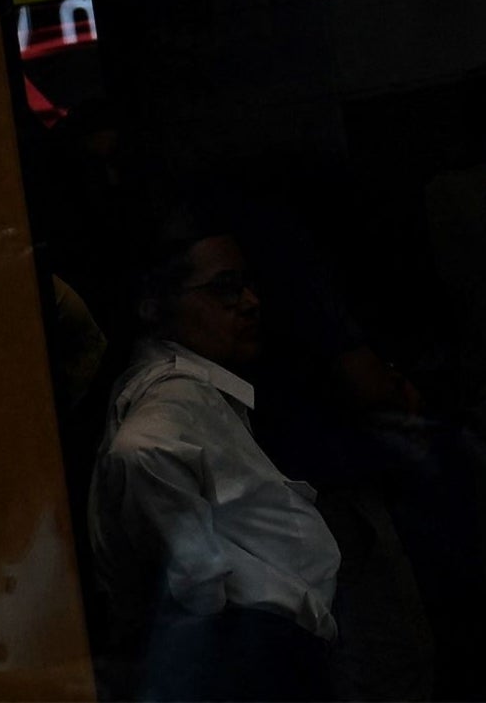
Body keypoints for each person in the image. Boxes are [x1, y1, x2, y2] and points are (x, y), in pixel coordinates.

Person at [88, 224, 345, 700]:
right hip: (244, 660)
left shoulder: (200, 387)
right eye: (224, 289)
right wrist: (207, 590)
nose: (249, 302)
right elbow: (140, 449)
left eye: (247, 284)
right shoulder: (172, 393)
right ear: (158, 305)